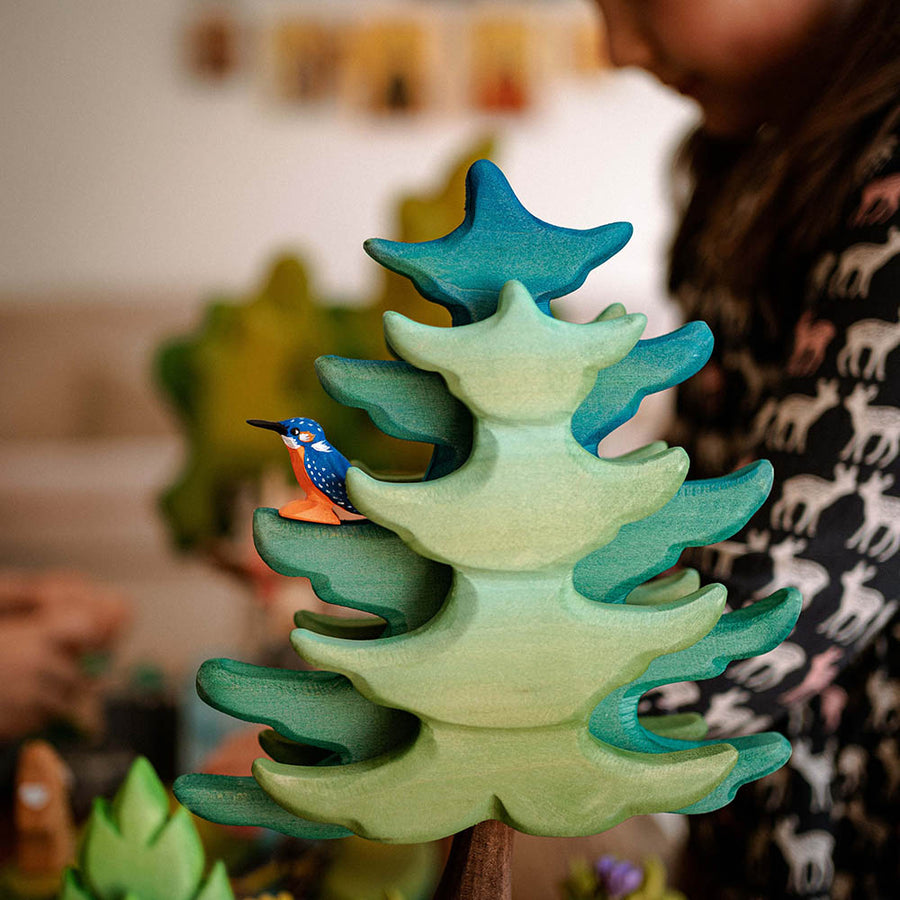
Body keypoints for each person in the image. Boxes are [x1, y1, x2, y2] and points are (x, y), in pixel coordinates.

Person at [592, 1, 900, 897]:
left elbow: (790, 597)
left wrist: (491, 692)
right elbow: (691, 500)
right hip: (758, 815)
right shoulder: (759, 157)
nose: (616, 48)